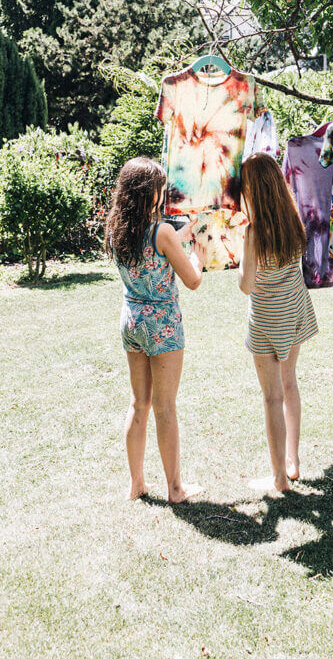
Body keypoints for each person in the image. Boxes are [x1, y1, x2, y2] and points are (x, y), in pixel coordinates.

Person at [105, 157, 205, 503]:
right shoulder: (161, 231)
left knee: (139, 404)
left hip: (132, 320)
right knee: (165, 408)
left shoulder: (118, 228)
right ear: (151, 192)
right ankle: (175, 489)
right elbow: (192, 280)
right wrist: (199, 255)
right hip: (162, 324)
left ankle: (136, 484)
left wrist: (181, 236)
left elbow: (155, 248)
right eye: (161, 188)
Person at [238, 152, 318, 494]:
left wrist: (241, 259)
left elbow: (246, 285)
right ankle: (293, 461)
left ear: (252, 190)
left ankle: (279, 479)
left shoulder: (255, 231)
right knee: (290, 384)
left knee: (272, 397)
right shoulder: (292, 219)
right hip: (294, 310)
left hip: (267, 318)